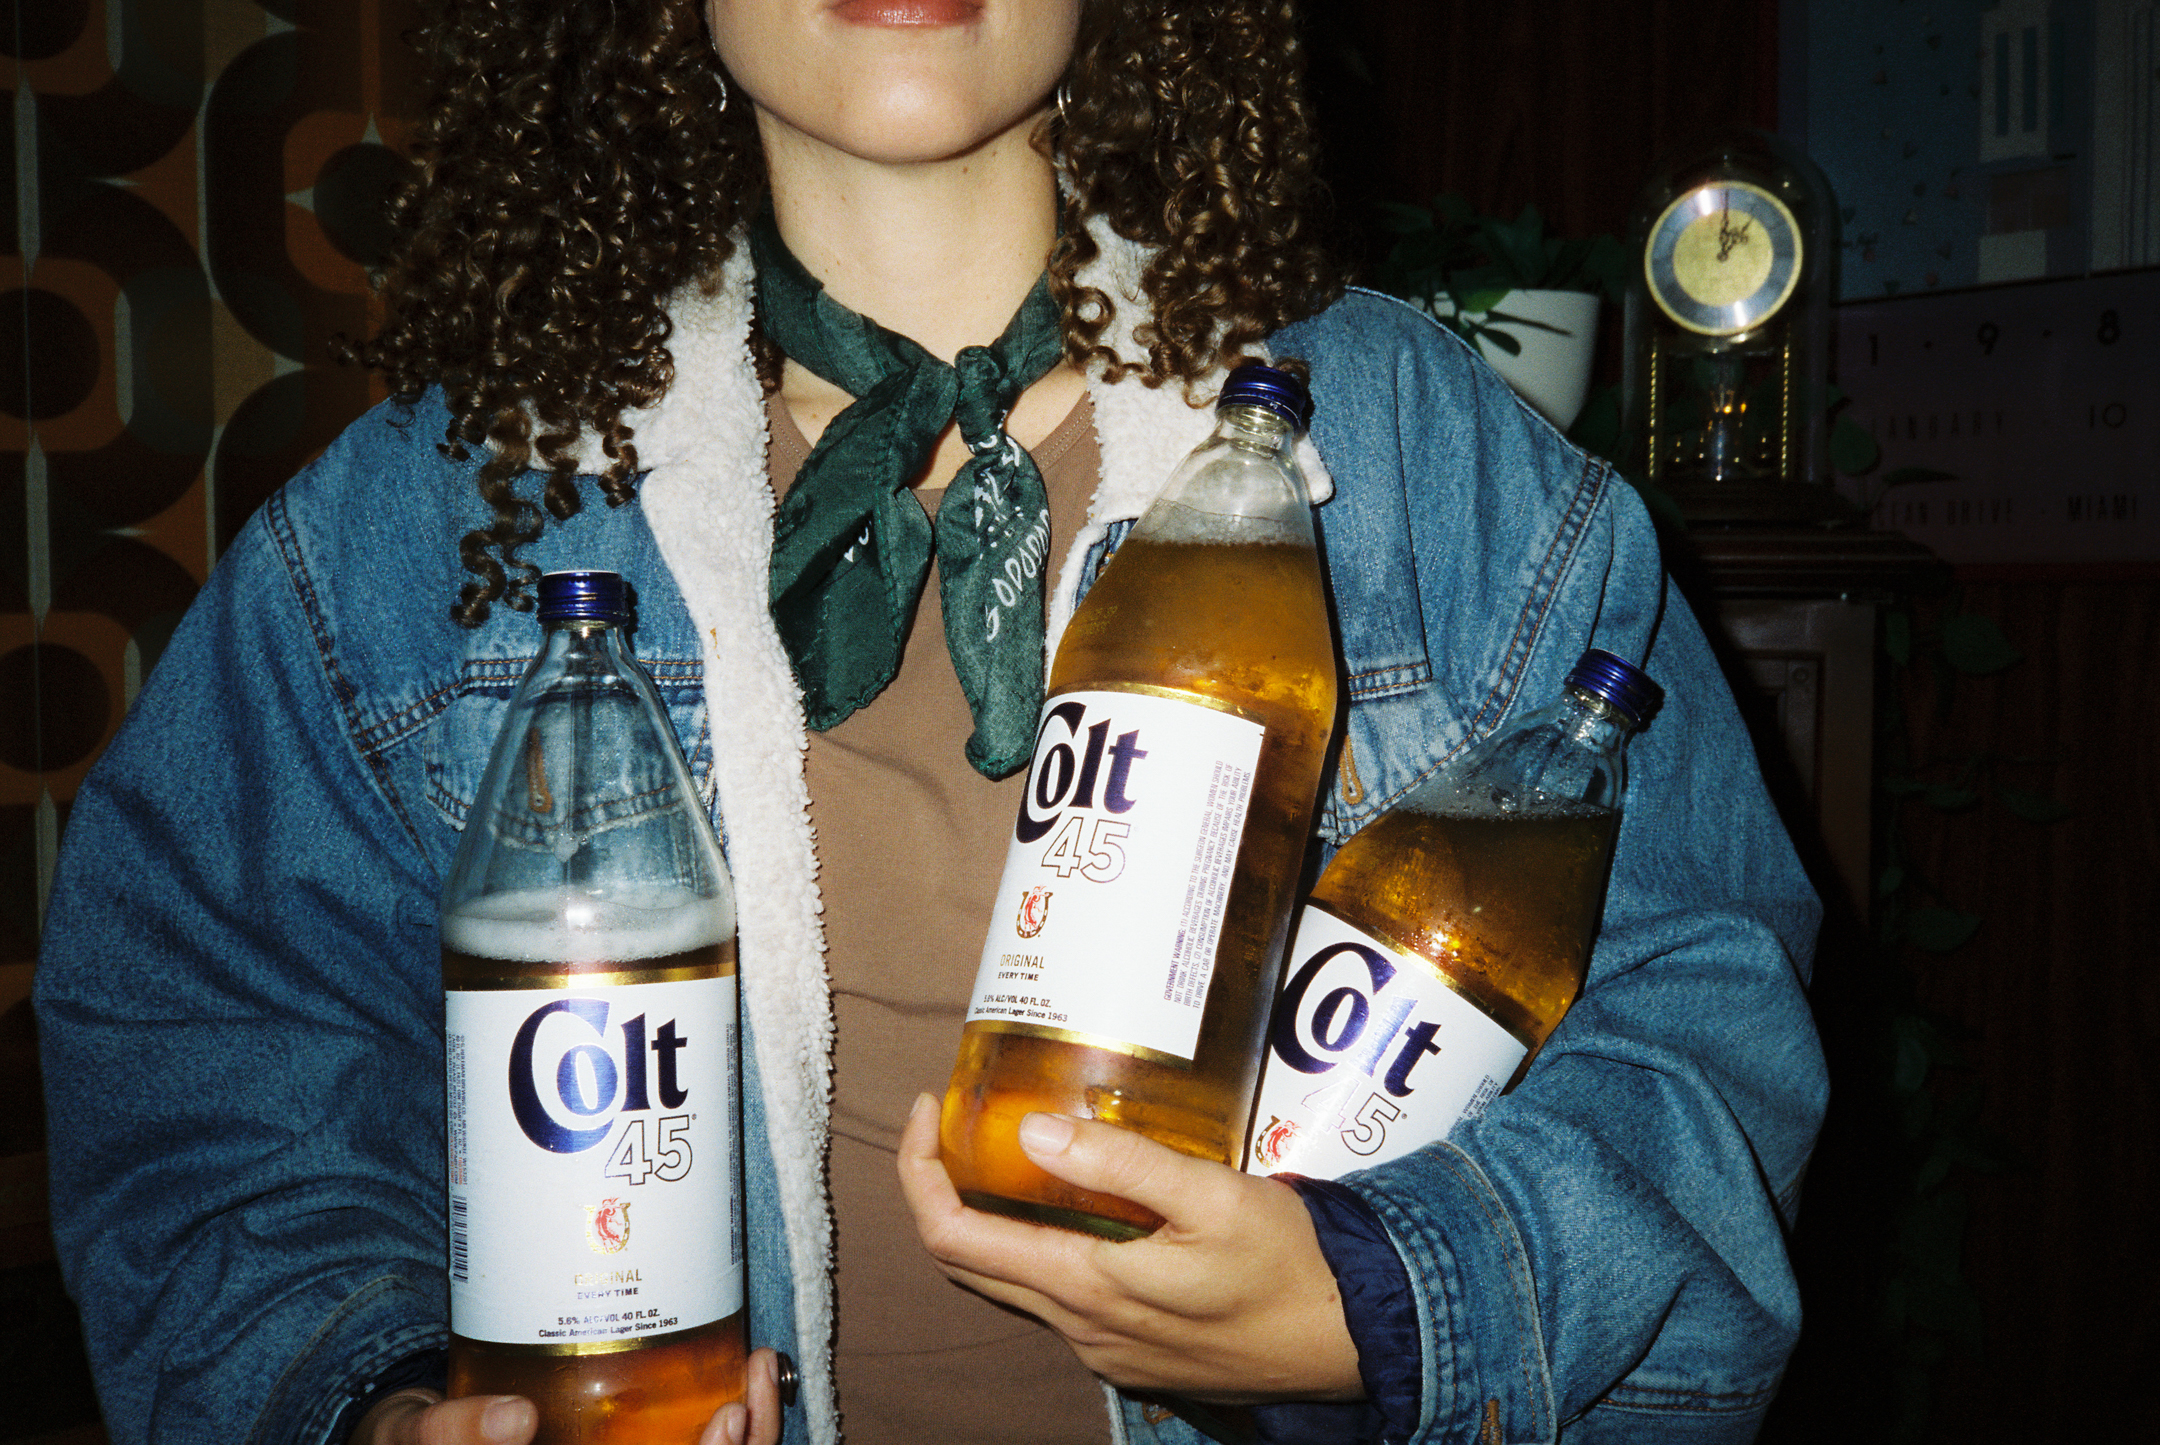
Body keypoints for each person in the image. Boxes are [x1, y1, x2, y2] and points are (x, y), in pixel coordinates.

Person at [34, 1, 1827, 1443]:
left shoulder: (1433, 455)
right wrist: (368, 1403)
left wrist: (1379, 1296)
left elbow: (1703, 1012)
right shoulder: (429, 521)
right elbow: (204, 1059)